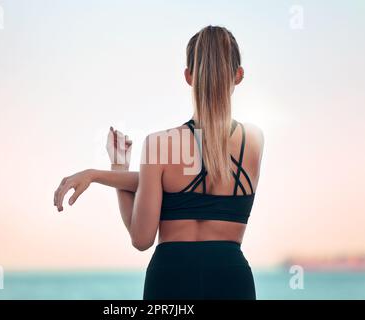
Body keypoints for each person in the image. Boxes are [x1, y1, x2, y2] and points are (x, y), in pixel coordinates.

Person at [53, 25, 264, 300]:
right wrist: (98, 175)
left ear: (189, 76)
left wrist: (113, 170)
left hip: (171, 278)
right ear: (239, 75)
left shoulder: (159, 145)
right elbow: (189, 182)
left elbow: (141, 238)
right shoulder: (254, 141)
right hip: (231, 279)